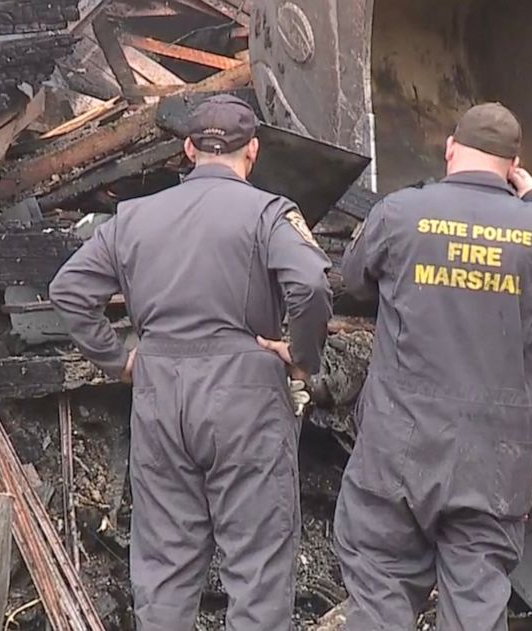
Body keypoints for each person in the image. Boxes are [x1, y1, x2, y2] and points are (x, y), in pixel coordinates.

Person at [333, 103, 532, 631]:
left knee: (378, 603)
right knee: (475, 609)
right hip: (490, 464)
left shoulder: (399, 213)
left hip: (396, 450)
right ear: (514, 163)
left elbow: (353, 280)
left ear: (449, 148)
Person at [49, 94, 333, 631]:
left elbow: (68, 289)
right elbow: (312, 283)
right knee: (257, 567)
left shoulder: (133, 217)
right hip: (245, 391)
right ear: (253, 150)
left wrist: (119, 361)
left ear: (188, 148)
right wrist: (301, 356)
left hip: (158, 392)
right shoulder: (270, 213)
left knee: (164, 567)